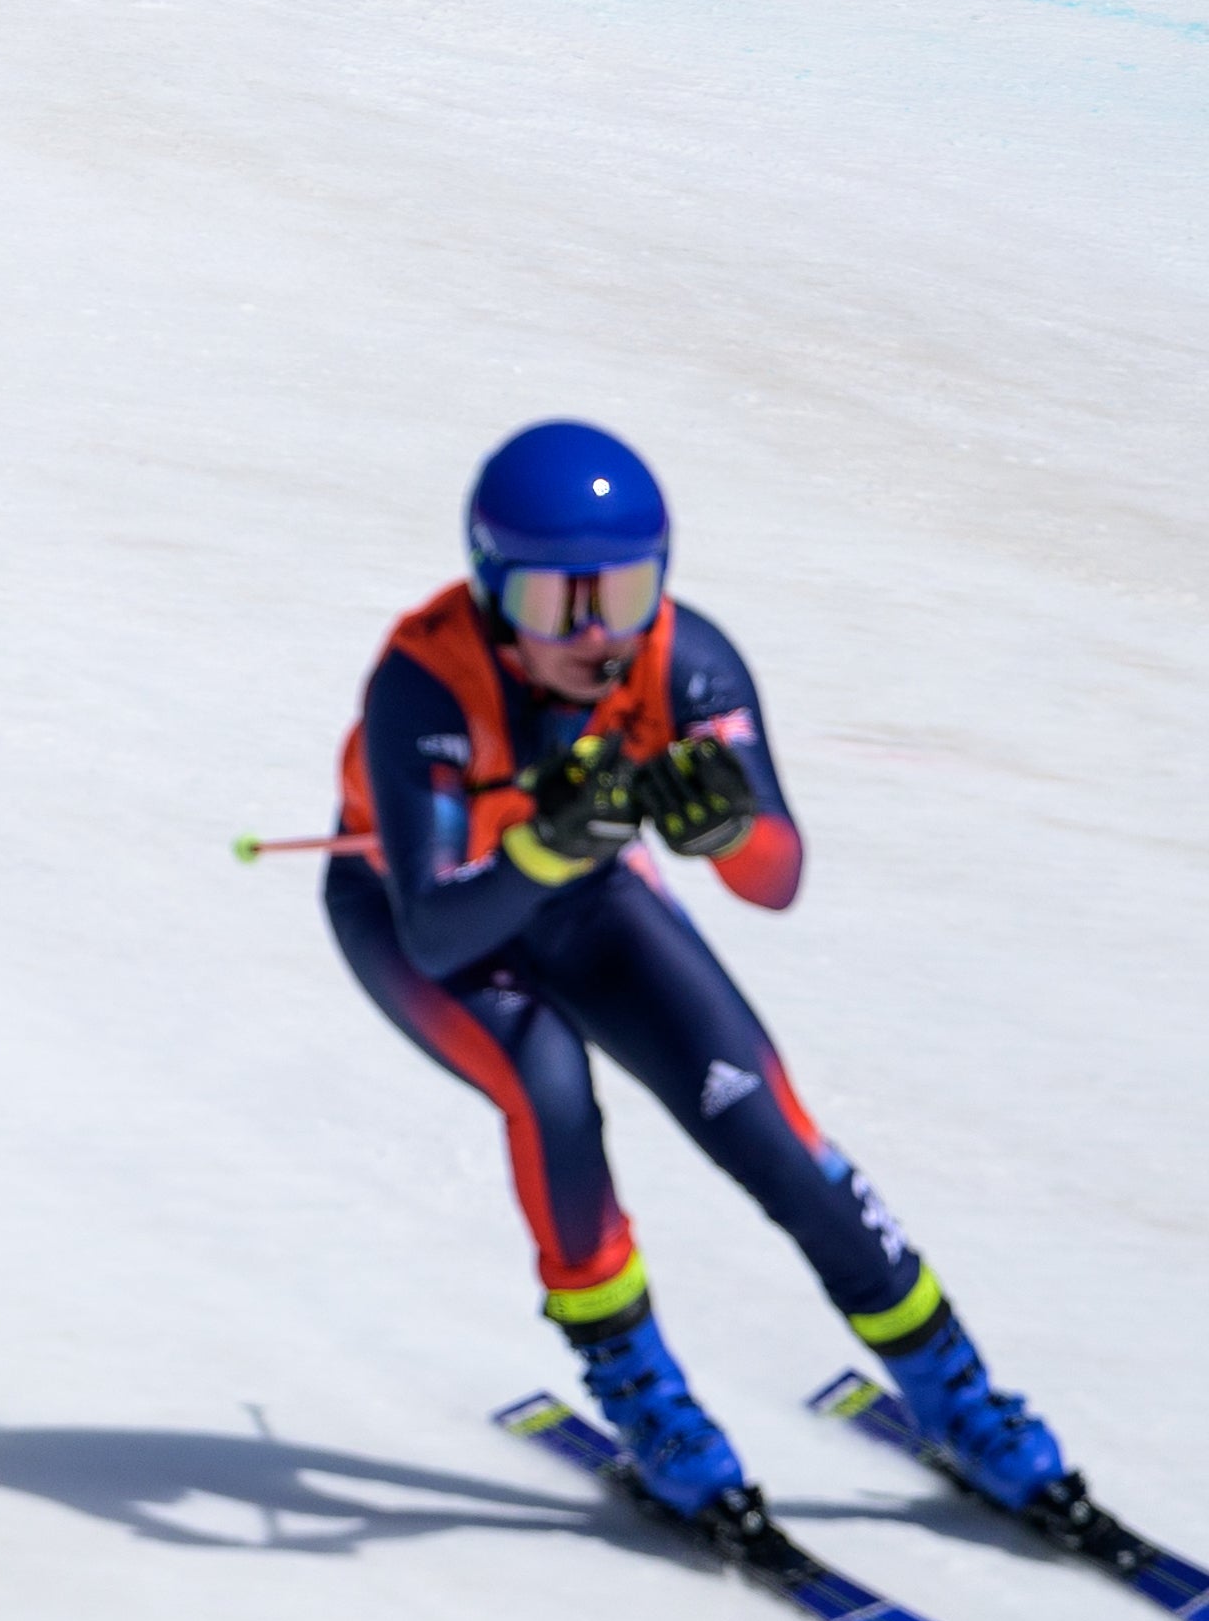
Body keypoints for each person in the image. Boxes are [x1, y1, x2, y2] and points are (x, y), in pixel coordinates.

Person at [323, 420, 1088, 1549]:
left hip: (578, 898)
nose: (595, 637)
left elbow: (774, 878)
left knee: (761, 1124)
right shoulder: (422, 681)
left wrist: (727, 828)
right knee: (549, 1089)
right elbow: (437, 930)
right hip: (417, 915)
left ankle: (954, 1387)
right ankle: (641, 1388)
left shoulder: (689, 663)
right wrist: (542, 847)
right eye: (554, 605)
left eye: (623, 592)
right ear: (491, 597)